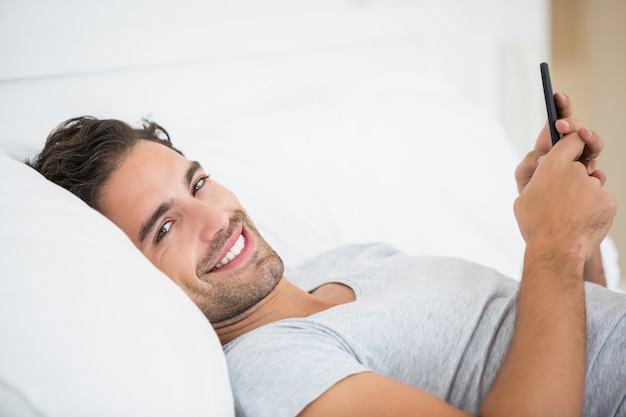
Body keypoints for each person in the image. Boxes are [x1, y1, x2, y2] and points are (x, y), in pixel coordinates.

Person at [29, 93, 625, 417]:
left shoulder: (345, 260)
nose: (215, 219)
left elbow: (576, 323)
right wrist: (551, 246)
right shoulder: (269, 368)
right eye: (165, 228)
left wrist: (574, 234)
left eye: (199, 182)